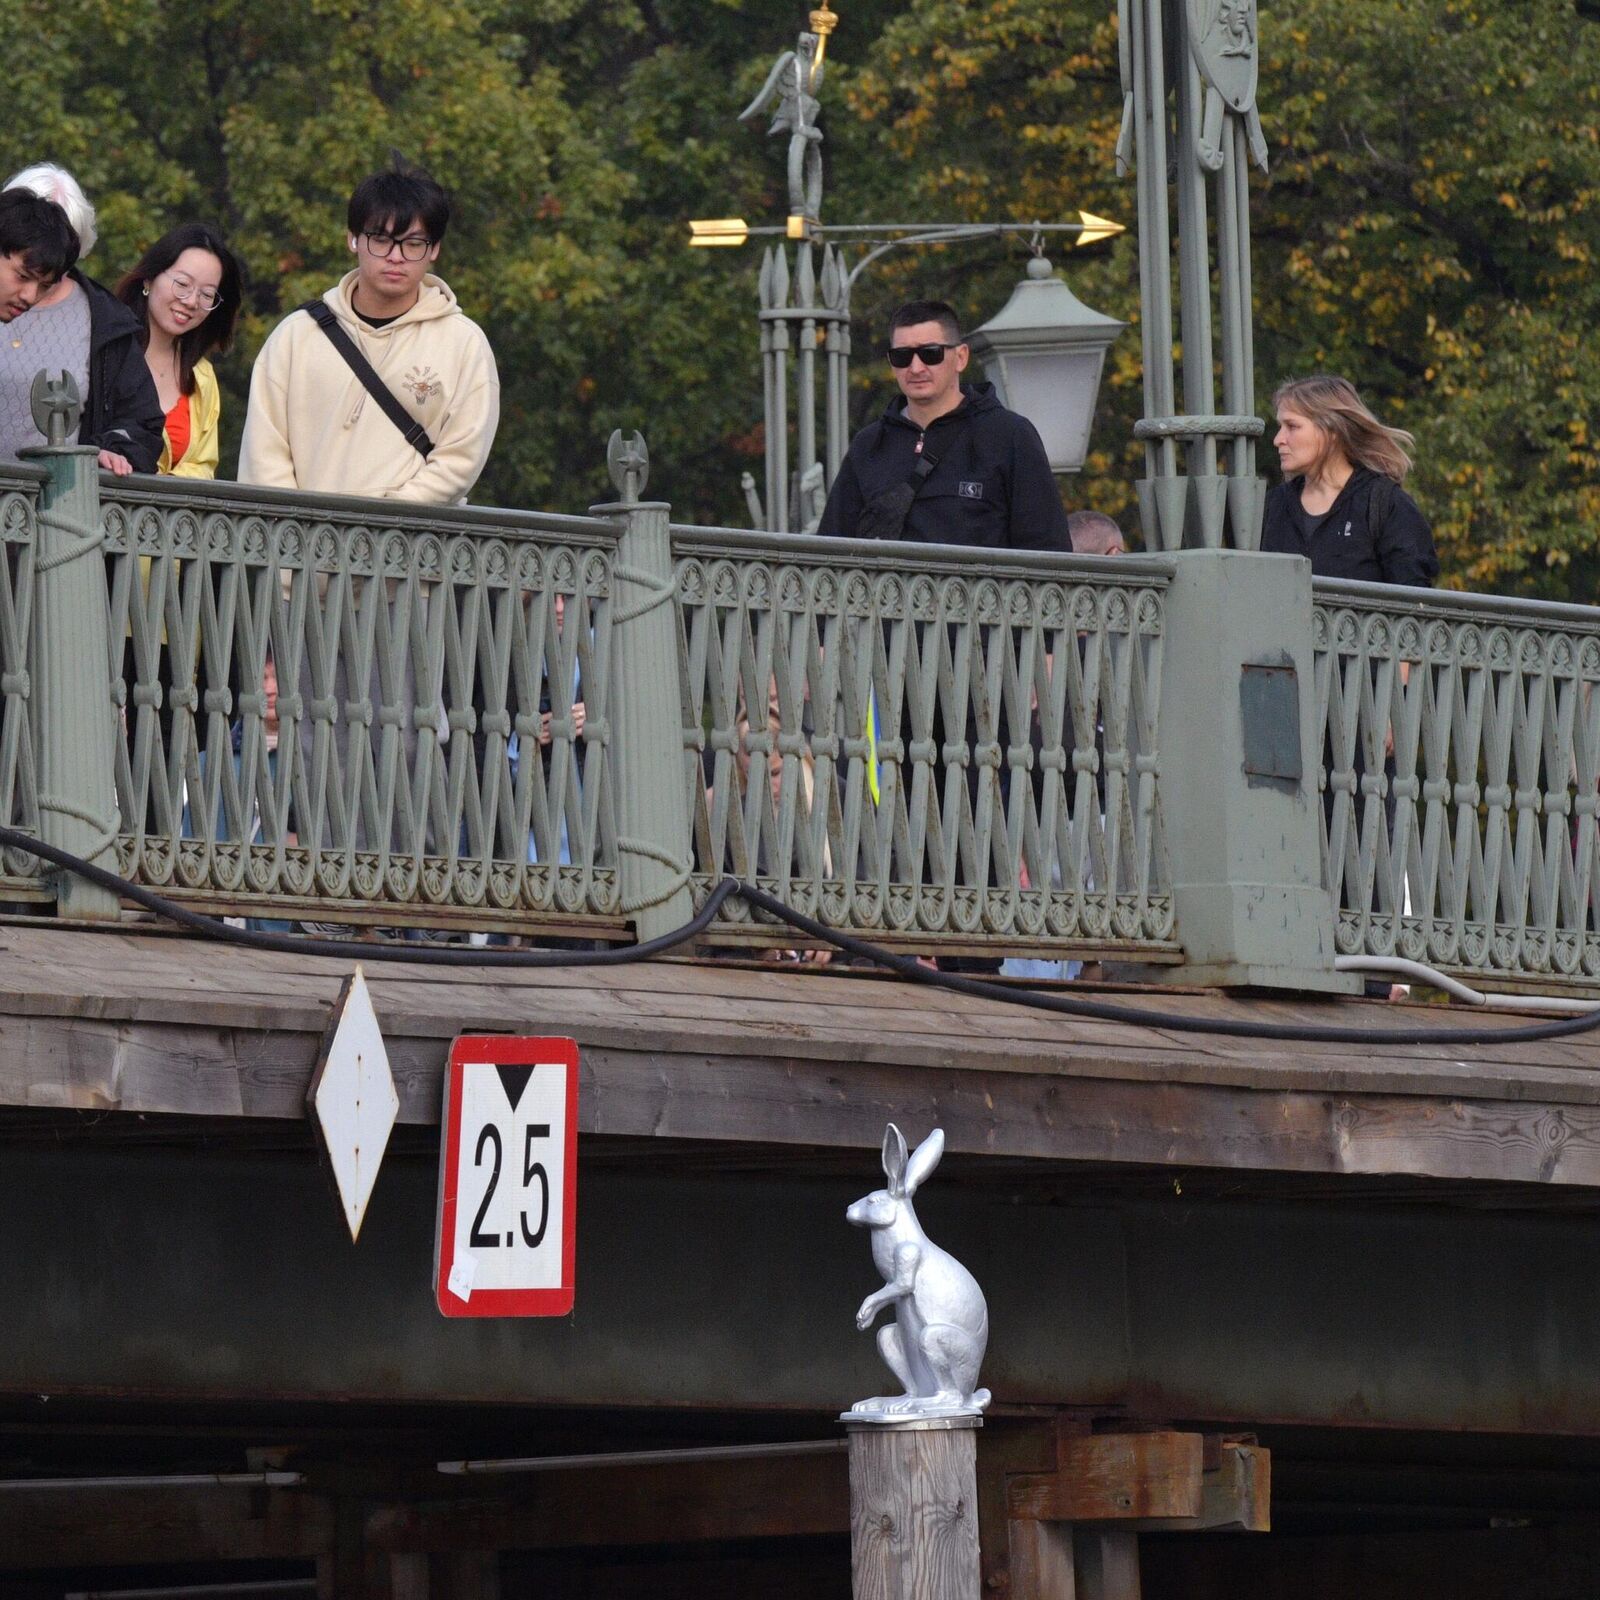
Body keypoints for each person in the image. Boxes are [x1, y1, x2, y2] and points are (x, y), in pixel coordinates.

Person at [238, 158, 499, 502]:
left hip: (411, 545)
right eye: (381, 239)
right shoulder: (295, 336)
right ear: (353, 239)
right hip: (299, 545)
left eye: (413, 243)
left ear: (433, 249)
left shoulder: (464, 344)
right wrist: (297, 528)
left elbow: (460, 459)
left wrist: (385, 523)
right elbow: (264, 452)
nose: (395, 256)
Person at [817, 299, 1070, 550]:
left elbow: (1048, 550)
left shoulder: (1009, 437)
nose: (916, 368)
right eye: (902, 356)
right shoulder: (869, 446)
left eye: (930, 354)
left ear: (961, 357)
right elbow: (831, 550)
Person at [1, 164, 164, 474]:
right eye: (25, 270)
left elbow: (141, 421)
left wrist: (110, 451)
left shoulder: (108, 322)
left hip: (60, 510)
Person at [1260, 374, 1437, 585]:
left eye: (1292, 426)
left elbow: (1414, 603)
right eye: (1280, 427)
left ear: (1332, 430)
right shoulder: (1273, 506)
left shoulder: (1385, 505)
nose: (1278, 439)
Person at [115, 224, 242, 478]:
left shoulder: (202, 377)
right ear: (149, 278)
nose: (192, 301)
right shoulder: (107, 352)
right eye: (182, 284)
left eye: (207, 294)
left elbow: (203, 468)